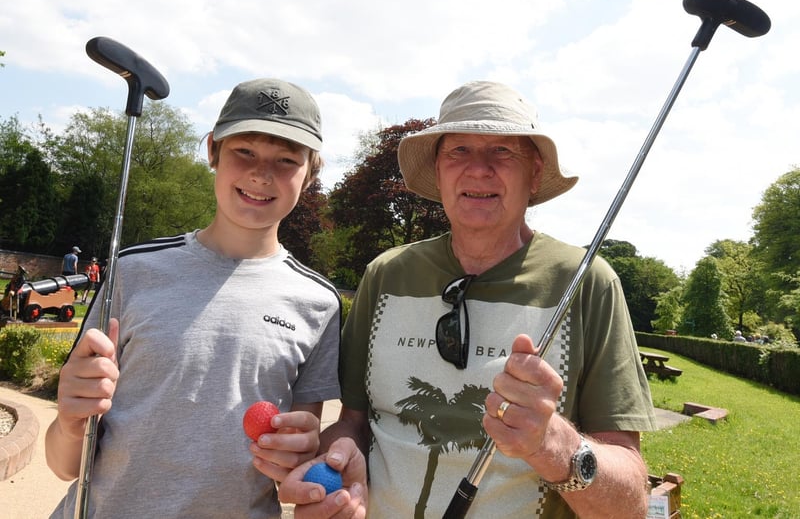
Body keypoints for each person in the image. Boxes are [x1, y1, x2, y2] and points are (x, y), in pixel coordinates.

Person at [280, 81, 657, 518]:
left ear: (534, 174)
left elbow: (629, 503)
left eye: (503, 152)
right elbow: (354, 421)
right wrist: (338, 460)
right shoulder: (386, 275)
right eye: (458, 151)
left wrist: (556, 446)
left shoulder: (587, 283)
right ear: (438, 171)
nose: (478, 169)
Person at [45, 78, 342, 518]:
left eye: (286, 160)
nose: (262, 173)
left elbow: (289, 467)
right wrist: (70, 421)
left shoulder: (320, 303)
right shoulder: (134, 270)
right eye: (245, 151)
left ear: (311, 173)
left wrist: (297, 457)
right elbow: (64, 463)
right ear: (212, 151)